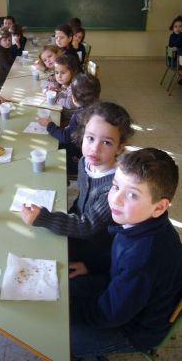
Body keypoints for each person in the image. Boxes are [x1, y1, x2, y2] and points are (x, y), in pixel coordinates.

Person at [70, 148, 182, 360]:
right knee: (65, 286)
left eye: (132, 194)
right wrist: (91, 266)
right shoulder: (139, 221)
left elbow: (111, 313)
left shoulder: (144, 258)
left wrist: (68, 312)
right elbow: (118, 258)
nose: (115, 199)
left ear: (159, 207)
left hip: (134, 329)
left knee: (62, 339)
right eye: (115, 186)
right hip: (122, 293)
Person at [21, 101, 134, 275]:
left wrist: (46, 218)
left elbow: (87, 226)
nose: (94, 148)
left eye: (106, 143)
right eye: (90, 138)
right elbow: (81, 204)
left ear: (120, 148)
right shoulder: (85, 162)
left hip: (98, 253)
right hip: (80, 235)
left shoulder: (113, 188)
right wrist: (64, 216)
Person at [38, 73, 101, 175]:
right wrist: (62, 92)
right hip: (91, 154)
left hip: (80, 160)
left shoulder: (80, 115)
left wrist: (49, 124)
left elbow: (65, 137)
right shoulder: (99, 109)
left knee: (48, 151)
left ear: (74, 98)